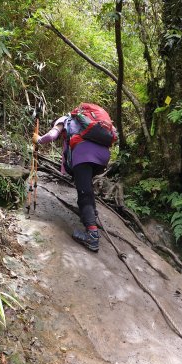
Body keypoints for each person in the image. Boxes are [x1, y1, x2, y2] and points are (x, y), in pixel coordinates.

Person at [33, 105, 116, 253]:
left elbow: (52, 136)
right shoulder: (88, 122)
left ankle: (92, 236)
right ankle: (90, 215)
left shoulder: (65, 119)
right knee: (86, 187)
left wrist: (38, 139)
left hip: (84, 155)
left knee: (84, 193)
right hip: (102, 158)